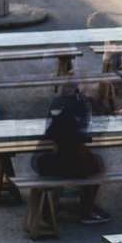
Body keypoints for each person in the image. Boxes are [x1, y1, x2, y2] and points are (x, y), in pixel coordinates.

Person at [31, 86, 110, 224]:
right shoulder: (76, 108)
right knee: (95, 165)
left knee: (92, 161)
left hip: (43, 160)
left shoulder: (63, 104)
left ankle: (83, 206)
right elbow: (82, 135)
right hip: (53, 162)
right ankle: (87, 209)